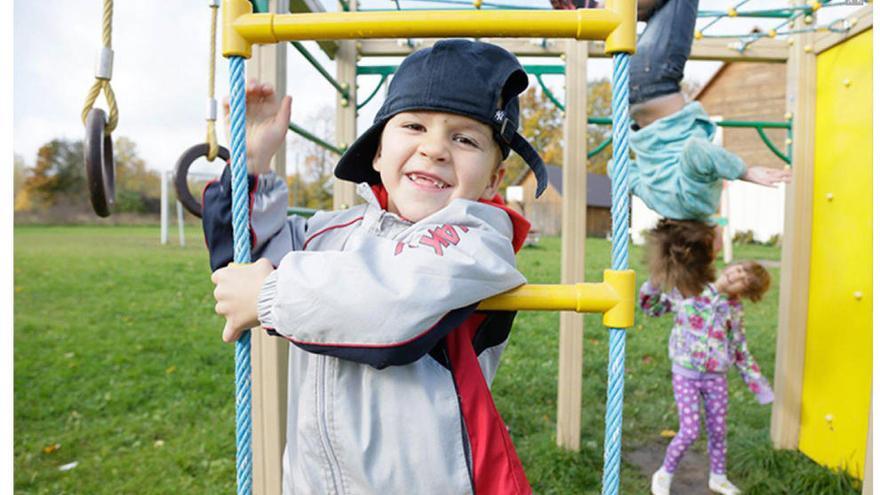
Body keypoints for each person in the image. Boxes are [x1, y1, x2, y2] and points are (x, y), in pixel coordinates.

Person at [205, 39, 548, 494]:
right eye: (414, 126)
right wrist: (249, 161)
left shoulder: (479, 240)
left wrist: (268, 296)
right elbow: (243, 258)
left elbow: (389, 303)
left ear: (492, 180)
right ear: (378, 153)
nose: (435, 150)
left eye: (464, 138)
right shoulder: (329, 232)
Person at [551, 0, 791, 220]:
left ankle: (596, 9)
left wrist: (744, 172)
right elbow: (617, 168)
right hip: (630, 92)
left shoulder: (697, 204)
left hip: (655, 80)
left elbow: (697, 151)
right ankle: (607, 9)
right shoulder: (660, 205)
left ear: (704, 243)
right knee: (667, 10)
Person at [638, 220, 774, 495]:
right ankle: (664, 473)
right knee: (689, 431)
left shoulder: (733, 310)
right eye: (737, 271)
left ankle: (718, 477)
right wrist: (655, 281)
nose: (734, 277)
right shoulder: (691, 289)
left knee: (718, 430)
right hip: (686, 373)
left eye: (741, 282)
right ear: (730, 266)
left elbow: (739, 349)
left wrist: (758, 384)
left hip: (715, 378)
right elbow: (651, 308)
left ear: (744, 294)